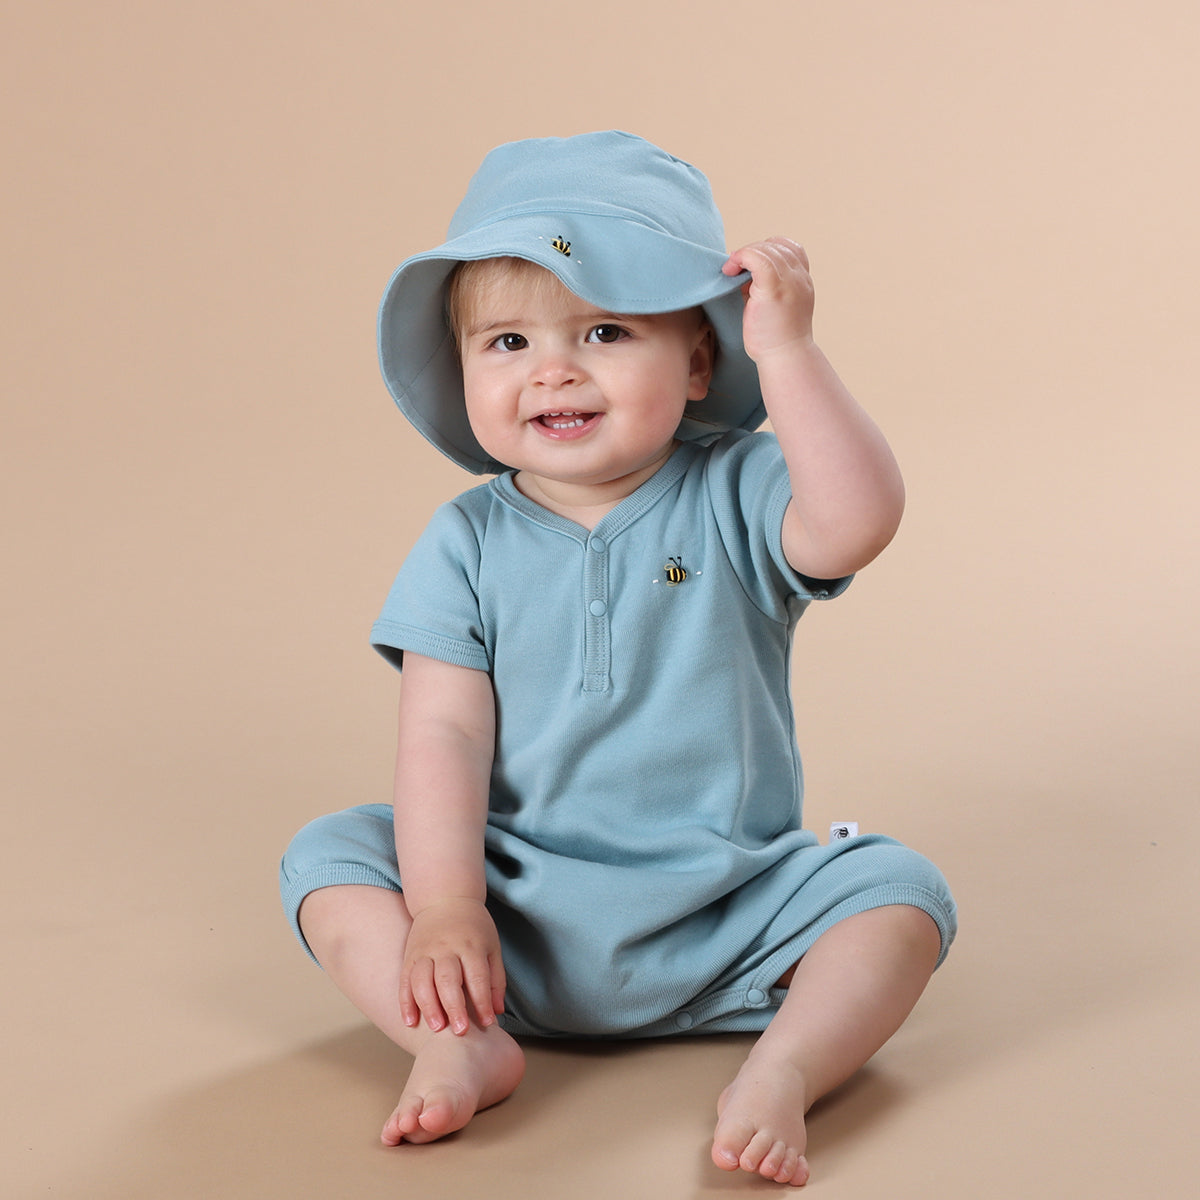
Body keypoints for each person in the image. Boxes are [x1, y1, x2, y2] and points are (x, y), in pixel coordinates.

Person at [280, 130, 956, 1187]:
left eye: (603, 330)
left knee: (899, 892)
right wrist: (452, 908)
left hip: (730, 913)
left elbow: (859, 521)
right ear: (461, 370)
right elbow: (444, 733)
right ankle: (454, 1037)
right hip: (515, 928)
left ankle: (781, 1068)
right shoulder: (466, 540)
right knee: (331, 858)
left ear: (696, 360)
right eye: (506, 343)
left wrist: (788, 353)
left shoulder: (740, 491)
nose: (553, 368)